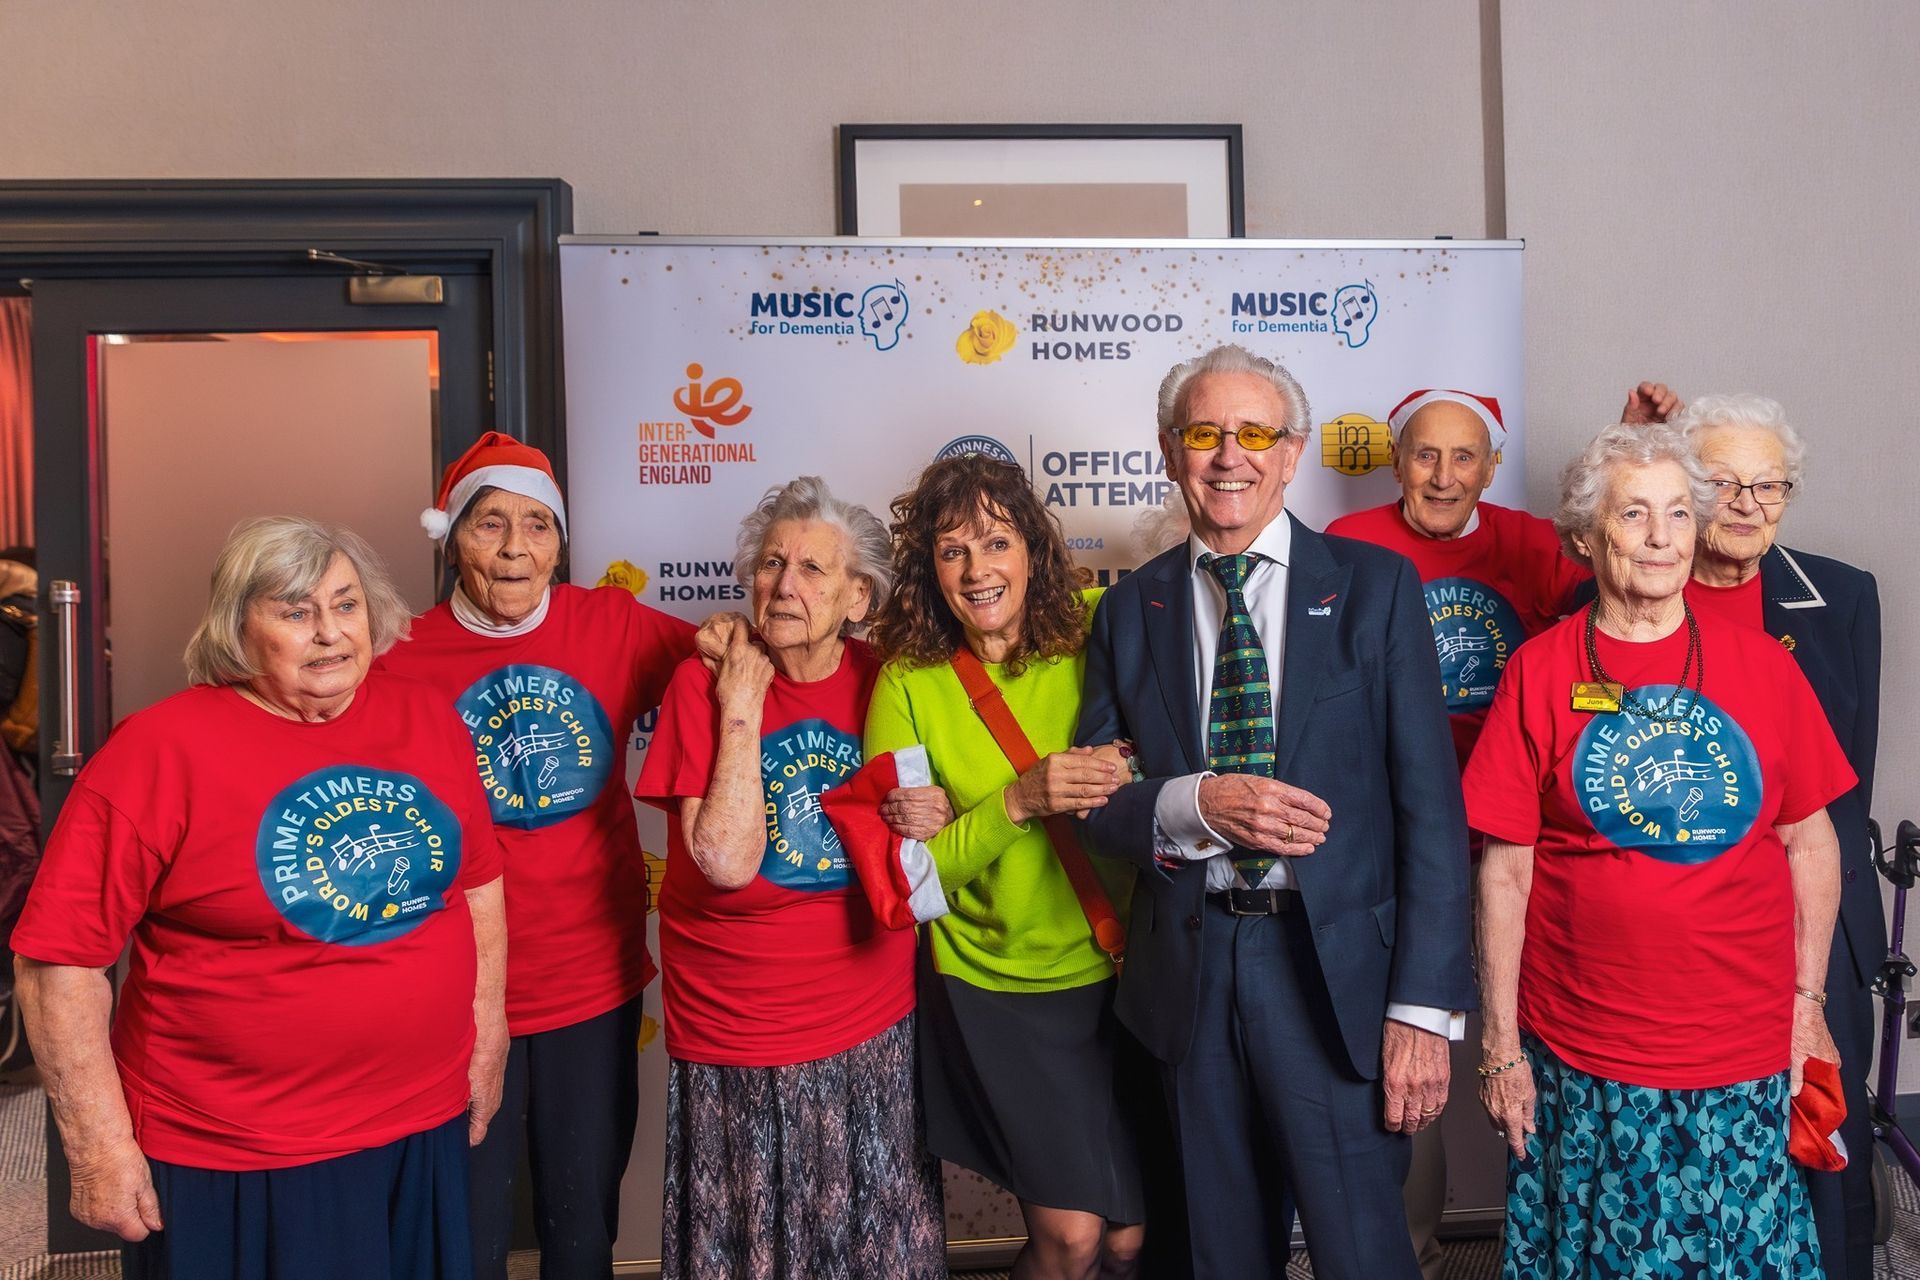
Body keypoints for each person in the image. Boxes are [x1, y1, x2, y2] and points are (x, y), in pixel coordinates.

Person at [12, 516, 506, 1280]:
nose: (330, 633)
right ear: (237, 627)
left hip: (419, 1121)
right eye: (295, 611)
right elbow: (59, 966)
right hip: (235, 1150)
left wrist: (488, 1032)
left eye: (346, 605)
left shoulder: (427, 721)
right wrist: (98, 1147)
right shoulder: (157, 752)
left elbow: (477, 885)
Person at [1075, 344, 1474, 1280]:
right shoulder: (1129, 610)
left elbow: (1430, 814)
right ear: (1172, 452)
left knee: (1363, 1253)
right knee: (1213, 1257)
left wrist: (1424, 1007)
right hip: (1191, 969)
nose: (1230, 456)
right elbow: (1101, 808)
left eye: (1254, 433)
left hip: (1335, 977)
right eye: (1206, 434)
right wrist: (1196, 804)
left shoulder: (1375, 590)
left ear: (1292, 452)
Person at [1466, 423, 1851, 1279]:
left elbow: (1811, 842)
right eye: (1635, 513)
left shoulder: (1764, 668)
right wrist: (1500, 1044)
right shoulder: (1537, 671)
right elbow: (1505, 869)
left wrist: (1806, 1003)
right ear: (1586, 537)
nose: (1662, 536)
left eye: (1679, 513)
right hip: (1581, 1046)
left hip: (1741, 1044)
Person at [377, 431, 697, 1280]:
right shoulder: (395, 654)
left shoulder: (614, 623)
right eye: (490, 524)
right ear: (451, 539)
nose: (517, 548)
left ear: (560, 542)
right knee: (465, 1224)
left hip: (589, 978)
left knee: (581, 1219)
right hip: (451, 989)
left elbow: (730, 671)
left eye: (538, 525)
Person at [635, 476, 946, 1280]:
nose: (783, 583)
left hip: (870, 1029)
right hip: (735, 1038)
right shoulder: (701, 685)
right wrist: (742, 701)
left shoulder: (892, 682)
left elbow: (934, 823)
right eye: (772, 563)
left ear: (857, 597)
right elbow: (727, 861)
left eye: (813, 569)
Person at [865, 454, 1143, 1280]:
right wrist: (1018, 800)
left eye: (995, 541)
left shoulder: (1104, 627)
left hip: (1124, 972)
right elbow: (910, 881)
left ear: (1034, 549)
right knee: (1074, 1239)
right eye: (953, 551)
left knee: (1131, 1240)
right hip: (998, 989)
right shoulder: (907, 684)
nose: (979, 569)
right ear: (929, 570)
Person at [1673, 393, 1882, 1279]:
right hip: (1677, 909)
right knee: (1686, 1137)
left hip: (1808, 902)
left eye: (1770, 485)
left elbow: (1846, 779)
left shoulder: (1841, 597)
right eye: (1725, 484)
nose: (1750, 504)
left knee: (1821, 1119)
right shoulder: (1626, 589)